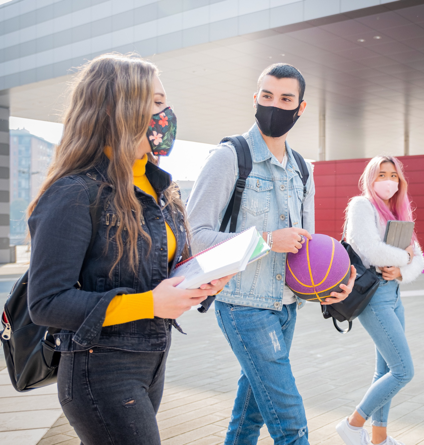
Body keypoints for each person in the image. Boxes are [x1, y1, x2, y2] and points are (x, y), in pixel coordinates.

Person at [26, 53, 232, 445]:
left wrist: (201, 280)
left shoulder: (162, 188)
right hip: (99, 369)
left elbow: (161, 272)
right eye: (156, 102)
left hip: (153, 361)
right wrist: (150, 304)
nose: (166, 113)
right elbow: (47, 302)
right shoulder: (74, 192)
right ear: (120, 107)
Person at [187, 63, 356, 445]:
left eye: (285, 99)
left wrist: (340, 281)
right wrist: (265, 240)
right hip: (242, 304)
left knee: (251, 414)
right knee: (290, 421)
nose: (274, 106)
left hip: (286, 305)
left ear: (300, 108)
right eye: (267, 97)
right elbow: (196, 239)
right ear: (255, 99)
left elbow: (308, 248)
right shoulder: (229, 157)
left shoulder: (302, 169)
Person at [336, 156, 424, 445]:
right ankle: (352, 425)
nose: (388, 181)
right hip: (373, 296)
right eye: (381, 175)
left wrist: (403, 268)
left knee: (385, 369)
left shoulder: (398, 210)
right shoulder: (362, 205)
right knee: (403, 371)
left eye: (393, 175)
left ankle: (379, 438)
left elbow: (418, 257)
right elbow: (370, 250)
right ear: (370, 178)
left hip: (394, 294)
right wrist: (405, 257)